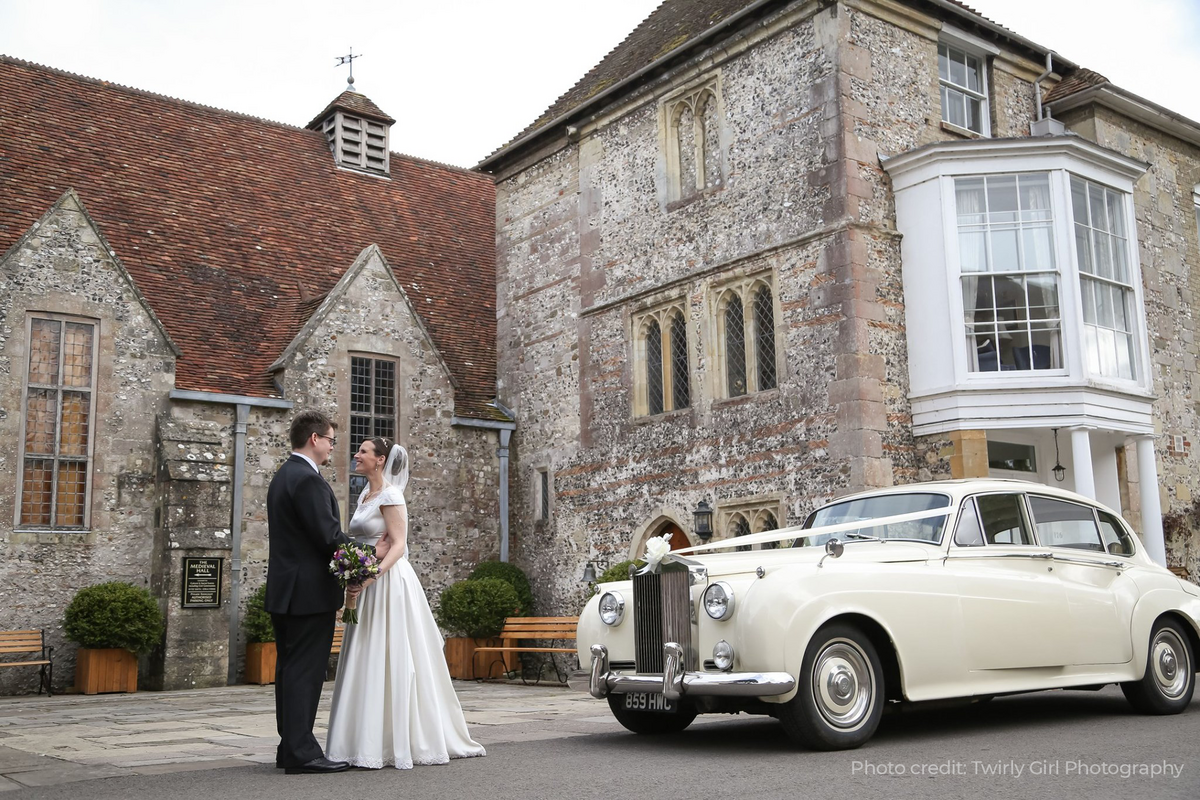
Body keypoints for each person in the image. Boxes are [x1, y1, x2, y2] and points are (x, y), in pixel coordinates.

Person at [325, 437, 486, 769]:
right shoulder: (364, 495)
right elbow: (365, 539)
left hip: (388, 584)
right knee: (365, 654)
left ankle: (397, 741)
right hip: (365, 578)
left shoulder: (391, 495)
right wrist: (355, 571)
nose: (356, 455)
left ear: (380, 460)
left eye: (363, 452)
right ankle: (359, 740)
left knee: (392, 654)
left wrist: (370, 575)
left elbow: (398, 545)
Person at [265, 410, 352, 775]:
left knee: (289, 669)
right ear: (314, 439)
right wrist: (366, 555)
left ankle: (289, 747)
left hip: (286, 590)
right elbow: (329, 538)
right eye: (331, 439)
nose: (333, 446)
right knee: (305, 671)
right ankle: (302, 752)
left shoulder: (284, 476)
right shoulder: (309, 481)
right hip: (308, 593)